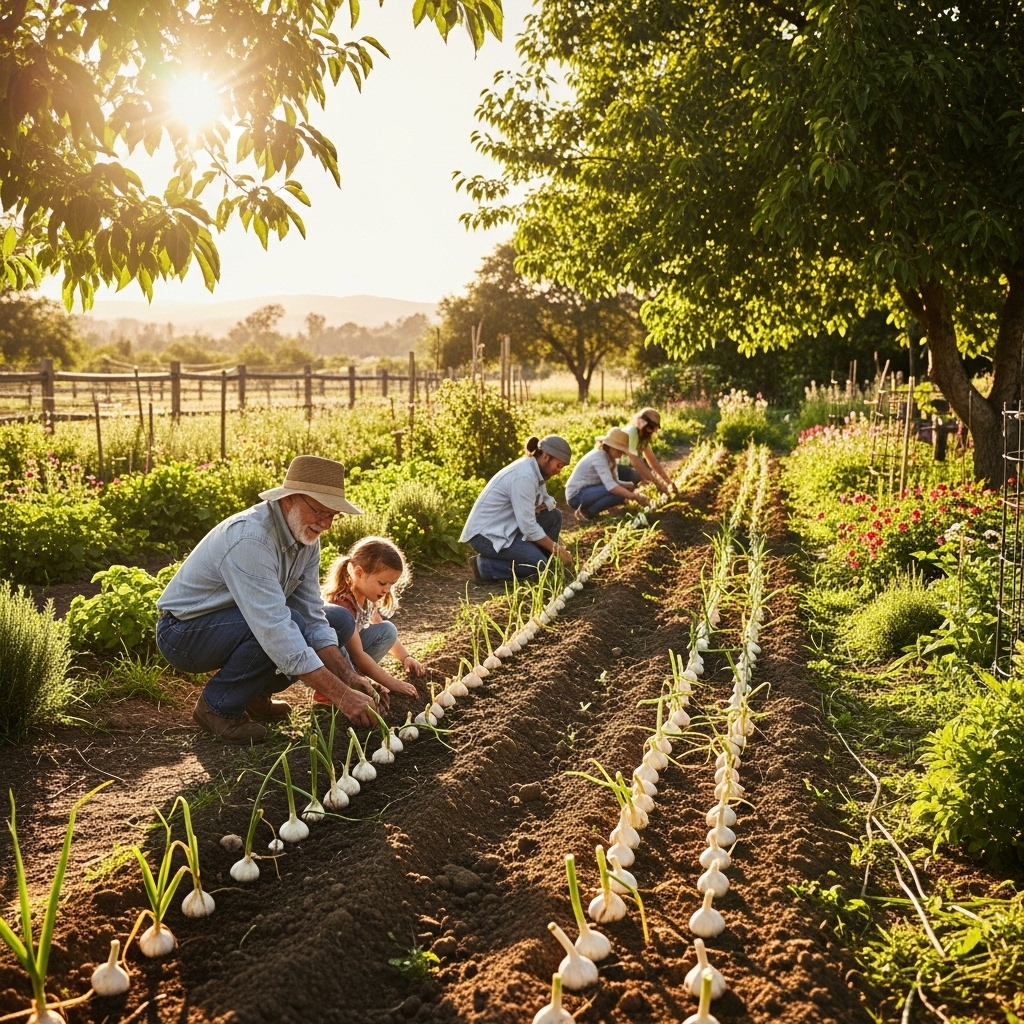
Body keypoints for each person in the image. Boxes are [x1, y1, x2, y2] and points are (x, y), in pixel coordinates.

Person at [156, 455, 382, 743]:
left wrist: (348, 676)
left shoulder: (306, 537)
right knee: (289, 625)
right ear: (290, 499)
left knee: (334, 619)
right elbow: (274, 627)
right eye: (319, 512)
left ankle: (251, 694)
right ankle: (217, 707)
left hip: (240, 623)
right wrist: (341, 696)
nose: (326, 524)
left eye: (332, 516)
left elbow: (313, 613)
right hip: (184, 633)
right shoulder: (251, 539)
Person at [317, 536, 424, 704]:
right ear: (359, 573)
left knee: (387, 630)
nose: (387, 590)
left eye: (391, 584)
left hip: (353, 655)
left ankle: (358, 680)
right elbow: (357, 655)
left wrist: (406, 658)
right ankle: (333, 689)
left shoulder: (367, 598)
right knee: (343, 651)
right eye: (382, 583)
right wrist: (392, 683)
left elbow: (380, 627)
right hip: (329, 663)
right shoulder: (343, 604)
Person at [460, 434, 574, 582]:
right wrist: (557, 549)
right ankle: (485, 567)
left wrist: (546, 504)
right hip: (487, 536)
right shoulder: (524, 476)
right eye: (558, 465)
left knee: (553, 517)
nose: (559, 471)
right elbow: (528, 527)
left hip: (509, 529)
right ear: (546, 457)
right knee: (538, 565)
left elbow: (548, 499)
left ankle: (543, 562)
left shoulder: (535, 471)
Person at [566, 427, 652, 519]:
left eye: (621, 452)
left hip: (591, 491)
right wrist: (635, 497)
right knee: (617, 491)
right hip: (576, 495)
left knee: (622, 492)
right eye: (618, 450)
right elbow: (611, 486)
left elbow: (615, 481)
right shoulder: (599, 457)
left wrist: (629, 485)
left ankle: (589, 511)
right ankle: (588, 512)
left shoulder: (611, 459)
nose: (619, 454)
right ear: (608, 446)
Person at [619, 407, 676, 495]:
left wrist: (668, 482)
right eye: (651, 428)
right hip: (614, 468)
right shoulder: (632, 432)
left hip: (624, 468)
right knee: (640, 479)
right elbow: (635, 462)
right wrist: (656, 483)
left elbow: (652, 460)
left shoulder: (643, 437)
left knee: (645, 477)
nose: (652, 431)